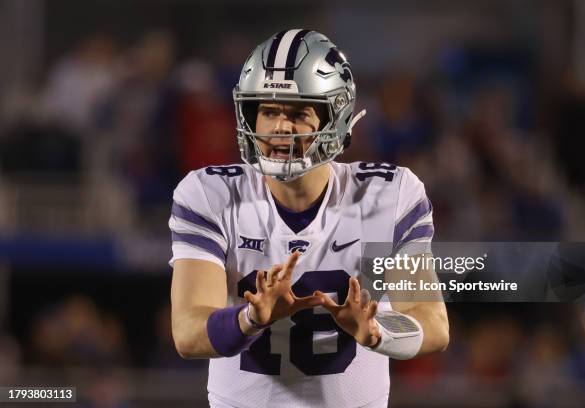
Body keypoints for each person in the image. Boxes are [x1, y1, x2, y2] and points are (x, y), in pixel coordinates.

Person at [169, 29, 449, 408]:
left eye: (299, 112)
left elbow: (432, 322)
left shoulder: (390, 195)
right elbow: (187, 331)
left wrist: (377, 331)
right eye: (268, 111)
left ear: (338, 116)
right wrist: (250, 318)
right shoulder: (211, 194)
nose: (280, 127)